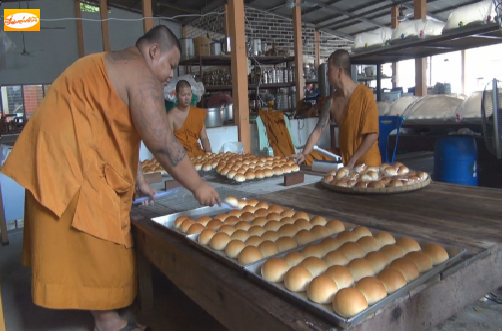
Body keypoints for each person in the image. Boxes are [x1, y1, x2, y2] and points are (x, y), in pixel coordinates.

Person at [1, 25, 221, 331]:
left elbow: (119, 131)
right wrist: (198, 185)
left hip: (56, 152)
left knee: (90, 241)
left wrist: (138, 177)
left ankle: (101, 313)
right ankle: (107, 321)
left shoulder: (114, 64)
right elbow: (160, 141)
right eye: (170, 64)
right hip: (70, 162)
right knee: (98, 235)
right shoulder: (140, 75)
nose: (172, 73)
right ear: (153, 52)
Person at [290, 49, 381, 169]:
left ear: (340, 71)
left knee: (365, 173)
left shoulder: (365, 94)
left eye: (329, 70)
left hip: (365, 158)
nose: (327, 74)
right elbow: (318, 130)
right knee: (310, 158)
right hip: (344, 156)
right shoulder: (331, 101)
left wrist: (354, 159)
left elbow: (373, 135)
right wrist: (304, 153)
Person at [167, 80, 211, 157]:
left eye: (189, 94)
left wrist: (209, 153)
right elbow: (168, 142)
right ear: (177, 95)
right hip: (180, 157)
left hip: (197, 154)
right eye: (183, 95)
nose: (187, 98)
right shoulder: (171, 116)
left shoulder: (197, 113)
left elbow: (204, 137)